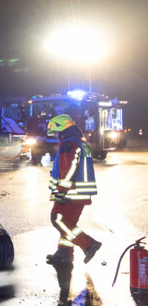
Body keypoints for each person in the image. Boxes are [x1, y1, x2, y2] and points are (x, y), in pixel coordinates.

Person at [45, 114, 101, 269]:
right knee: (69, 224)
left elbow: (68, 169)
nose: (55, 136)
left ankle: (89, 244)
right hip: (81, 193)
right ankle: (64, 254)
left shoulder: (68, 144)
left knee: (58, 219)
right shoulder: (81, 143)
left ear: (61, 129)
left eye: (56, 132)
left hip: (70, 193)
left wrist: (61, 190)